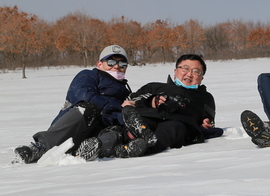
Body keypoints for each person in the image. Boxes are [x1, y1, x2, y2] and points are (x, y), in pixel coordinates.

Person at [13, 44, 146, 164]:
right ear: (99, 64)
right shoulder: (88, 76)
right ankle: (40, 147)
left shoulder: (126, 93)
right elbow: (84, 96)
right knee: (87, 108)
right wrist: (120, 107)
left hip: (96, 135)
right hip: (72, 129)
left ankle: (90, 151)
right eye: (111, 62)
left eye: (122, 64)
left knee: (117, 129)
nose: (116, 66)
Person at [120, 54, 220, 155]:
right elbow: (129, 101)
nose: (189, 74)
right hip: (149, 116)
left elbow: (209, 121)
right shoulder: (154, 87)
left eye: (196, 71)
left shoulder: (205, 97)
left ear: (202, 77)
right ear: (175, 71)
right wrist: (151, 101)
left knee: (172, 128)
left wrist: (206, 123)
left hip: (180, 123)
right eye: (185, 69)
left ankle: (141, 148)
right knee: (140, 120)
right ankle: (125, 142)